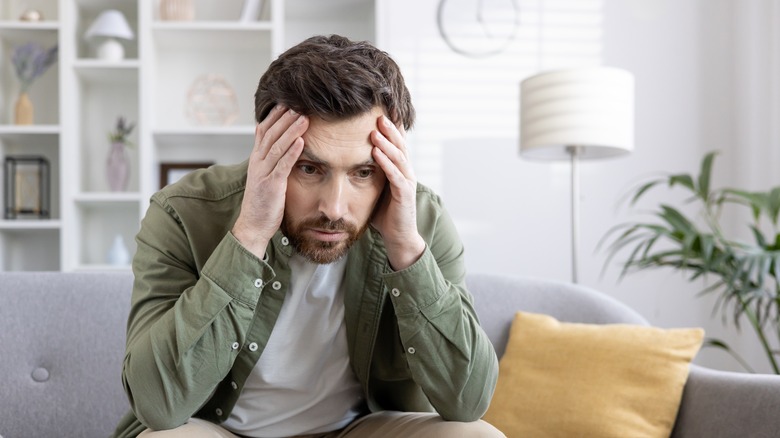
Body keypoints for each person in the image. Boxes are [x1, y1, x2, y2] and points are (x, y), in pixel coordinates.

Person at [112, 34, 503, 438]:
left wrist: (405, 248)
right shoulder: (183, 211)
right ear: (267, 145)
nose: (334, 208)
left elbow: (468, 402)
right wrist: (248, 235)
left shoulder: (421, 218)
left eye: (363, 173)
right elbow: (157, 403)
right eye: (309, 169)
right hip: (216, 430)